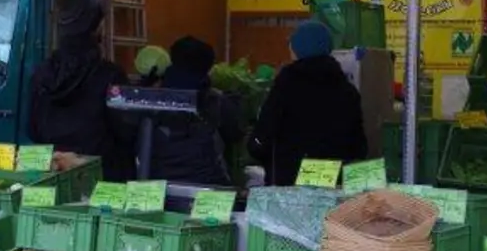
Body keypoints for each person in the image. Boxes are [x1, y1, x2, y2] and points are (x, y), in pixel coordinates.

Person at [28, 0, 135, 181]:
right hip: (102, 179)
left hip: (55, 174)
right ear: (94, 30)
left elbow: (33, 129)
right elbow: (127, 132)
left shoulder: (41, 73)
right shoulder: (110, 75)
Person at [249, 20, 368, 186]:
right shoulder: (347, 90)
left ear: (297, 49)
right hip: (334, 182)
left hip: (290, 183)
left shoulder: (287, 85)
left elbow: (265, 133)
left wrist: (258, 151)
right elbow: (359, 147)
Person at [148, 36, 241, 186]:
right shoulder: (216, 101)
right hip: (208, 188)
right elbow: (235, 135)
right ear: (208, 67)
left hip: (157, 188)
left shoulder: (149, 99)